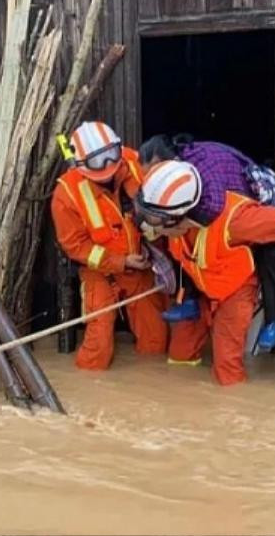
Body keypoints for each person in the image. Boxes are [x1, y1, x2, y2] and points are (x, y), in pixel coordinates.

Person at [138, 161, 275, 386]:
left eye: (155, 220)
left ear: (180, 216)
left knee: (227, 366)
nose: (151, 226)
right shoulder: (176, 217)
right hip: (201, 289)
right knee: (180, 355)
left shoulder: (235, 222)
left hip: (235, 291)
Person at [51, 121, 168, 371]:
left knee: (156, 340)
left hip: (141, 266)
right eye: (97, 162)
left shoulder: (136, 164)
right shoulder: (66, 195)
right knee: (98, 348)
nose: (107, 167)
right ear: (82, 165)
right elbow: (76, 247)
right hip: (99, 274)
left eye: (111, 157)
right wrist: (119, 262)